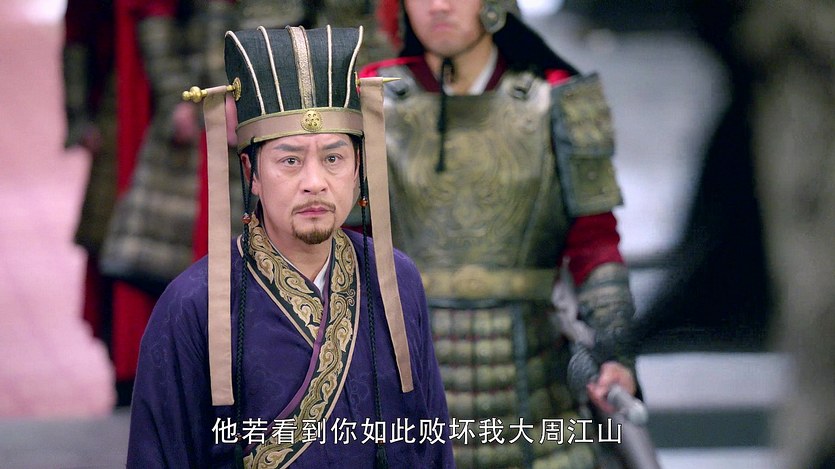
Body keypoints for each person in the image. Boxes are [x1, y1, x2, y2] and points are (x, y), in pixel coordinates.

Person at [127, 25, 454, 468]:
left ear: (358, 168)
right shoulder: (193, 304)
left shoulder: (394, 279)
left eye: (333, 158)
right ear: (252, 174)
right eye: (290, 160)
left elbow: (431, 444)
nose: (314, 182)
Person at [361, 1, 640, 467]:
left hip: (539, 398)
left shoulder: (559, 99)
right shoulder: (367, 99)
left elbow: (594, 245)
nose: (438, 5)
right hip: (400, 405)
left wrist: (616, 353)